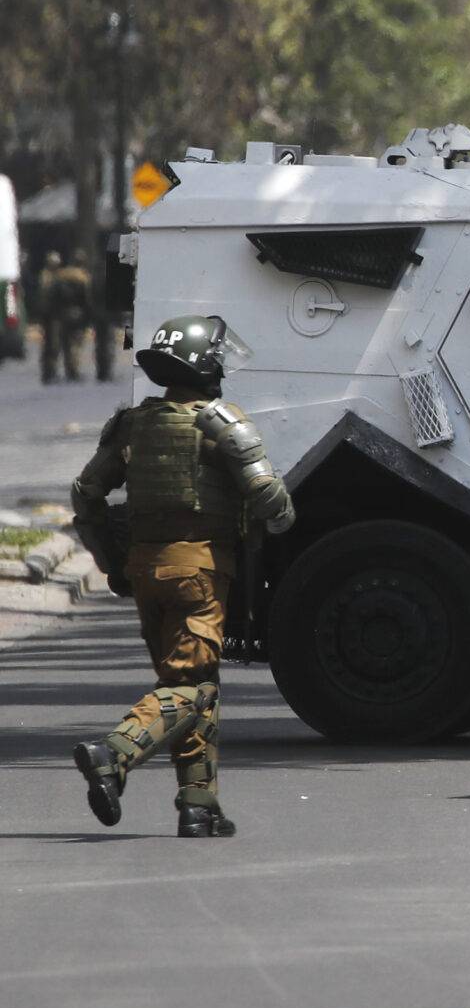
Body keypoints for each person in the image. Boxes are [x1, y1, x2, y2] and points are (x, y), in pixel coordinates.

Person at [68, 315, 295, 837]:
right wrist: (283, 515)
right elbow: (269, 499)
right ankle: (113, 754)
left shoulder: (133, 424)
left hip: (145, 571)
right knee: (190, 686)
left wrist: (110, 562)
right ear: (205, 365)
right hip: (200, 572)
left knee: (194, 684)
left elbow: (86, 494)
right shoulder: (223, 423)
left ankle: (199, 806)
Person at [36, 249, 92, 384]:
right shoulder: (77, 276)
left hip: (57, 316)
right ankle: (59, 372)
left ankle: (60, 372)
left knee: (60, 345)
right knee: (62, 345)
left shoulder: (57, 276)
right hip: (58, 316)